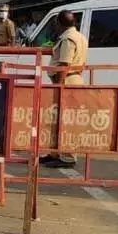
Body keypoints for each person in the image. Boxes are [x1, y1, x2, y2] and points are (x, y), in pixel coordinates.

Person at [42, 10, 88, 169]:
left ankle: (67, 156)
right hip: (73, 79)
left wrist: (58, 86)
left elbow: (64, 65)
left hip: (66, 81)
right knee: (58, 119)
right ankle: (55, 153)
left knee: (66, 121)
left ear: (59, 24)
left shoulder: (68, 39)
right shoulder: (80, 36)